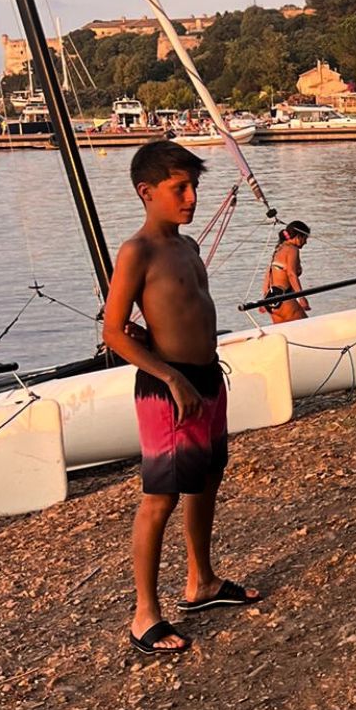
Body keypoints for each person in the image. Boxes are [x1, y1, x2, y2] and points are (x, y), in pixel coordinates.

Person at [101, 140, 262, 656]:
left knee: (208, 479)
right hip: (170, 388)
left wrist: (192, 372)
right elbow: (113, 332)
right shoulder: (137, 251)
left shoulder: (187, 246)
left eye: (194, 186)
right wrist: (170, 377)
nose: (192, 197)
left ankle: (202, 582)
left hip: (207, 378)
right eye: (179, 188)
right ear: (146, 192)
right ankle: (144, 615)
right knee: (161, 498)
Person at [262, 221, 311, 324]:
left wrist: (264, 300)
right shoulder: (292, 249)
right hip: (285, 299)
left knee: (284, 331)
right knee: (307, 328)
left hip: (271, 300)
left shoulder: (278, 249)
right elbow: (291, 274)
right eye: (305, 238)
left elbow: (268, 274)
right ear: (298, 236)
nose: (306, 242)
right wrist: (301, 298)